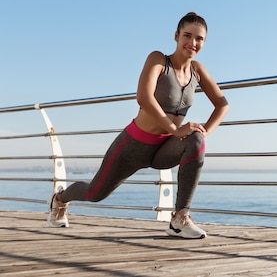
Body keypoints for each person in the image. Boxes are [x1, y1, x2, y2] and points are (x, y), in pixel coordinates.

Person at [46, 12, 229, 239]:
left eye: (199, 39)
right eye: (187, 36)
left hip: (164, 150)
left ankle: (179, 218)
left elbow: (222, 104)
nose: (192, 43)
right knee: (95, 192)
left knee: (196, 138)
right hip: (133, 146)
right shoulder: (159, 60)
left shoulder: (197, 71)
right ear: (176, 36)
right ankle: (60, 199)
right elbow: (144, 97)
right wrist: (175, 130)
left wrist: (205, 130)